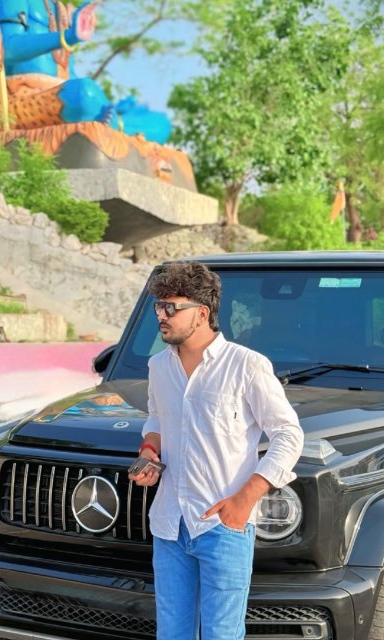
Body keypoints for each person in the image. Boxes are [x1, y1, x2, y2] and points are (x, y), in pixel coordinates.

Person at [129, 261, 304, 640]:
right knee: (171, 635)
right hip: (169, 524)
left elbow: (289, 435)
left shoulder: (247, 366)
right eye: (158, 307)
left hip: (222, 525)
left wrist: (247, 498)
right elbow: (157, 419)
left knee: (222, 635)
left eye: (171, 307)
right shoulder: (159, 366)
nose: (161, 316)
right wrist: (149, 451)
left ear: (202, 313)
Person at [0, 0, 171, 143]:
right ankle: (118, 125)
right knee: (84, 94)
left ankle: (114, 120)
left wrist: (105, 102)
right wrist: (66, 37)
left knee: (161, 123)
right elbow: (7, 49)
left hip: (60, 94)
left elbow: (67, 73)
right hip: (23, 98)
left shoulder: (60, 9)